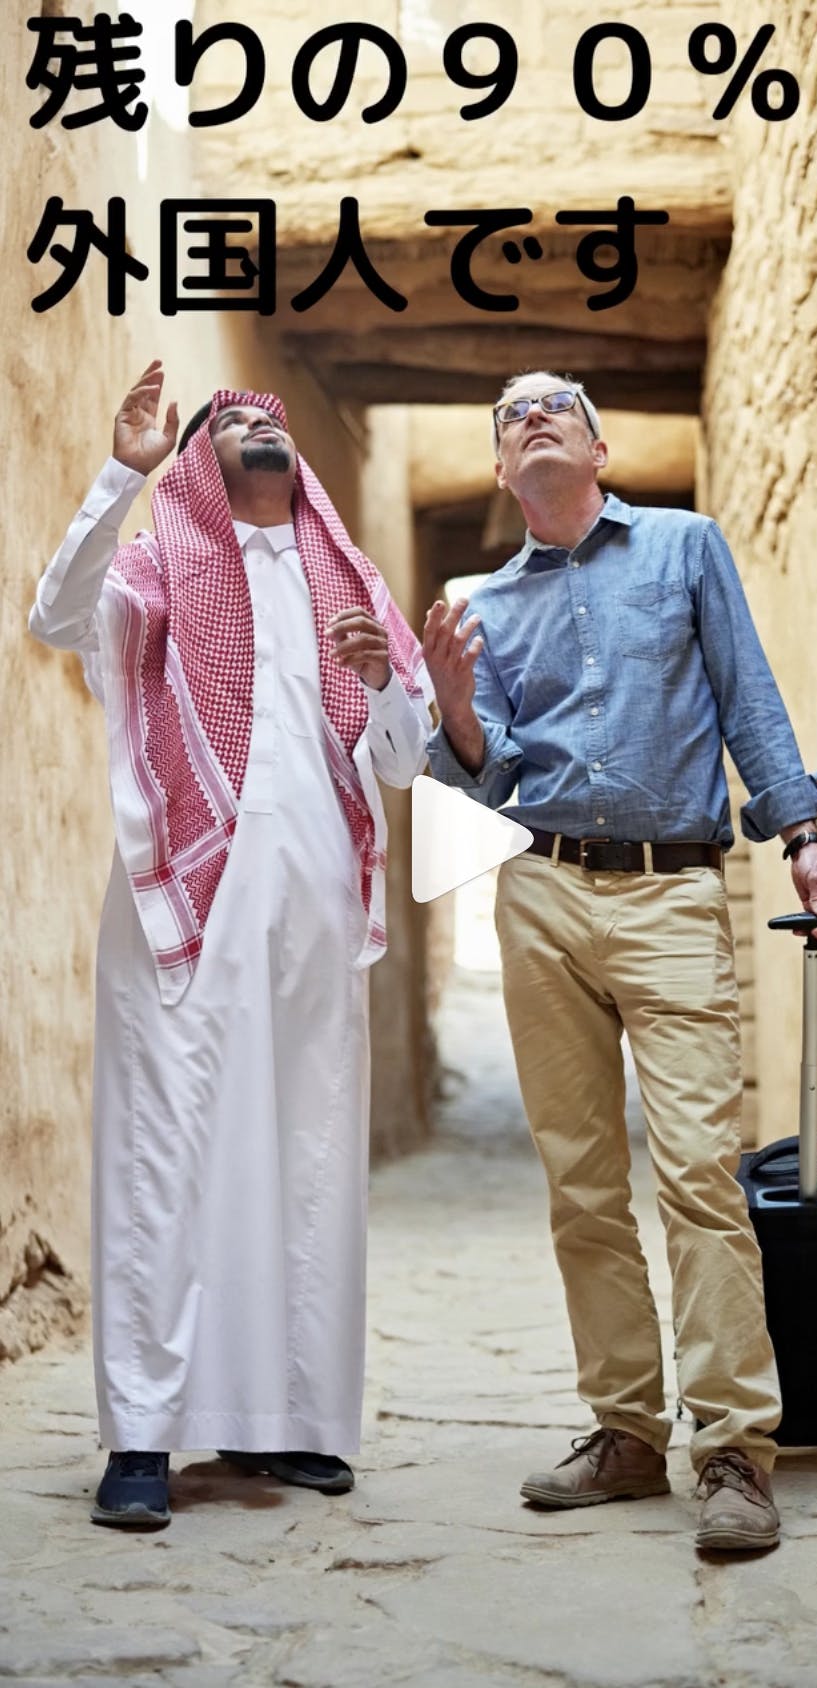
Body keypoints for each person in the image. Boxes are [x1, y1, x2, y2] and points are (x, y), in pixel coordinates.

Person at [422, 370, 817, 1553]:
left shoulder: (683, 547)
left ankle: (733, 1447)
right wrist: (455, 709)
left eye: (555, 404)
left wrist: (800, 833)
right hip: (541, 890)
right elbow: (485, 778)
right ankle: (623, 1430)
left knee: (700, 1173)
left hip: (672, 888)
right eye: (510, 414)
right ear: (502, 470)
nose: (531, 414)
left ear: (598, 448)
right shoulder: (482, 603)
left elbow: (747, 693)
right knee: (580, 1180)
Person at [29, 362, 431, 1529]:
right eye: (234, 419)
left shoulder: (347, 579)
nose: (260, 425)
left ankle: (284, 1419)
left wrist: (383, 681)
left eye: (272, 418)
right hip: (184, 907)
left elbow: (402, 759)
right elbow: (58, 616)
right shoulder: (158, 563)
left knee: (304, 1150)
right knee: (163, 1148)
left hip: (315, 907)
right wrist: (123, 475)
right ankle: (141, 1434)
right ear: (199, 461)